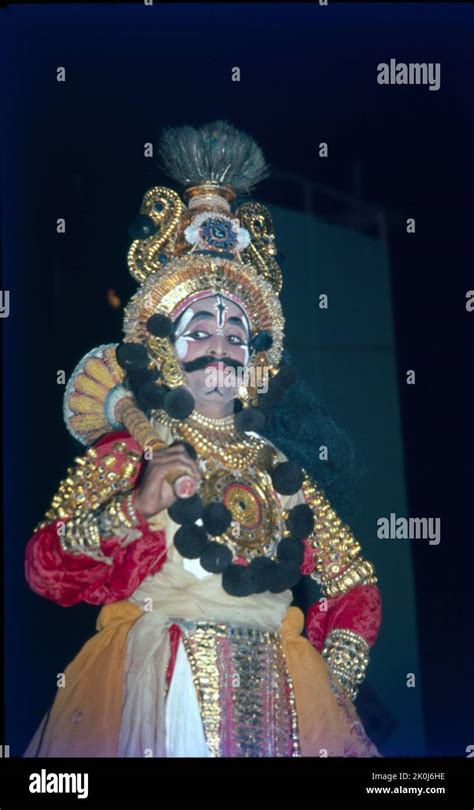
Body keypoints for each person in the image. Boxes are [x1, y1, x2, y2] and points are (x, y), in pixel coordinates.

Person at [24, 121, 382, 758]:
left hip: (278, 694)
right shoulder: (135, 450)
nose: (221, 343)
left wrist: (335, 681)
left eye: (236, 331)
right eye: (201, 328)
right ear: (165, 346)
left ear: (256, 357)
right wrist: (136, 507)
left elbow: (353, 579)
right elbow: (46, 567)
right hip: (165, 686)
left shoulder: (275, 467)